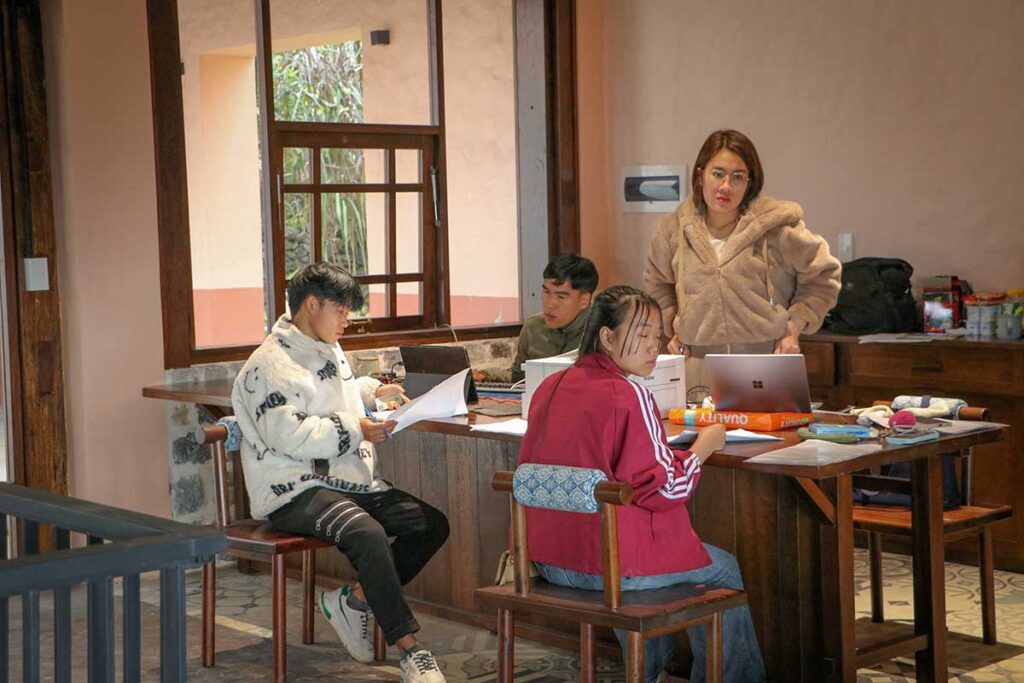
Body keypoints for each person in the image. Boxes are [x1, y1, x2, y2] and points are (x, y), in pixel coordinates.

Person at [518, 285, 765, 683]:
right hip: (604, 567)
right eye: (644, 334)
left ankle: (650, 669)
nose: (655, 346)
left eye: (657, 335)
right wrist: (704, 446)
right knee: (722, 570)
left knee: (622, 553)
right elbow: (666, 489)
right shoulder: (628, 393)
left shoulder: (552, 385)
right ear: (608, 337)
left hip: (547, 559)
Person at [231, 262, 450, 683]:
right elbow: (290, 435)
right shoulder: (268, 365)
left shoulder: (323, 343)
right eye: (343, 310)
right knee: (365, 533)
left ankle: (353, 601)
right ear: (312, 305)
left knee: (430, 525)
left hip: (347, 479)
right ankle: (412, 651)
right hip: (293, 489)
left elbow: (329, 392)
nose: (348, 320)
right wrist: (358, 429)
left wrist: (370, 390)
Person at [644, 129, 841, 390]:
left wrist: (793, 328)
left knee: (769, 431)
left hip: (767, 360)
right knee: (701, 431)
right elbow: (657, 284)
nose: (726, 186)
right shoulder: (673, 229)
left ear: (750, 183)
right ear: (701, 175)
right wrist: (672, 325)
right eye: (718, 174)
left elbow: (824, 276)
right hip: (698, 364)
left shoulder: (776, 227)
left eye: (738, 177)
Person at [510, 252, 599, 380]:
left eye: (561, 296)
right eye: (546, 292)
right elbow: (518, 381)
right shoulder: (533, 328)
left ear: (584, 300)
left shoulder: (599, 336)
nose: (550, 304)